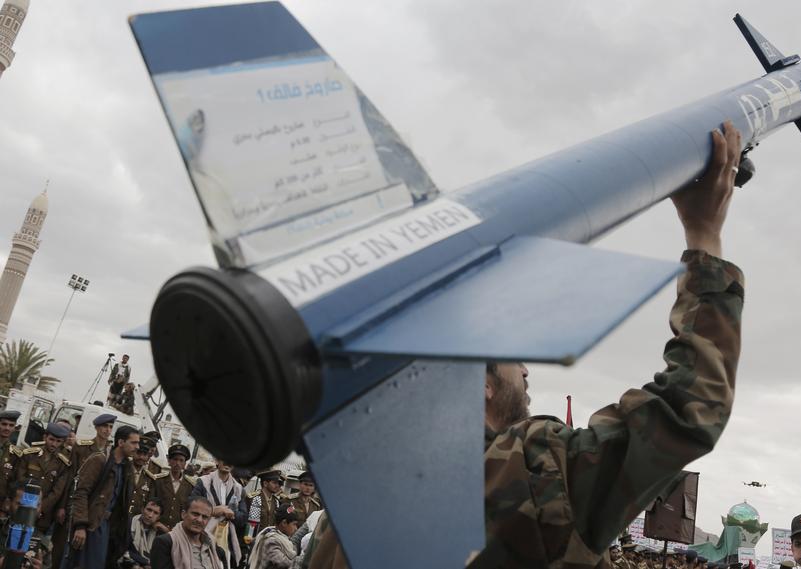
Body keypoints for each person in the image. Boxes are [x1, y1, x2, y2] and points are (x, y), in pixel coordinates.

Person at [304, 122, 746, 568]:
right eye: (514, 357)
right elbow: (689, 407)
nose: (528, 370)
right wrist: (704, 235)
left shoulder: (349, 512)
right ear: (480, 382)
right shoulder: (530, 467)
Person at [65, 425, 140, 569]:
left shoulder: (127, 468)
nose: (137, 447)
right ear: (121, 442)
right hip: (91, 524)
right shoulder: (100, 460)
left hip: (109, 527)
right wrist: (80, 526)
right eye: (133, 442)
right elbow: (80, 493)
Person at [14, 422, 72, 544]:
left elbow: (57, 492)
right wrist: (28, 503)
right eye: (51, 439)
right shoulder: (30, 454)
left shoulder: (63, 463)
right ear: (45, 437)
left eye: (58, 441)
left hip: (42, 515)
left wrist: (40, 508)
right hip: (21, 507)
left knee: (33, 546)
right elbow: (20, 478)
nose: (54, 444)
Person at [190, 460, 247, 567]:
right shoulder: (203, 482)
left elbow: (243, 518)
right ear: (217, 460)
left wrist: (230, 512)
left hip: (227, 541)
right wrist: (212, 511)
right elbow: (192, 507)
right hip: (201, 536)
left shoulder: (238, 488)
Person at [149, 496, 225, 569]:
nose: (199, 520)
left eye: (204, 517)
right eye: (195, 514)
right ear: (183, 514)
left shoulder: (212, 544)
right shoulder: (165, 543)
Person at [154, 444, 195, 533]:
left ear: (185, 464)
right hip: (156, 529)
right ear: (169, 461)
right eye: (175, 459)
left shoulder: (190, 486)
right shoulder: (158, 481)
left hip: (177, 533)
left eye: (181, 460)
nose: (177, 463)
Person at [247, 503, 301, 569]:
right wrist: (305, 559)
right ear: (284, 523)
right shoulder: (271, 541)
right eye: (294, 524)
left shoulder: (281, 537)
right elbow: (284, 563)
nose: (296, 528)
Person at [128, 435, 163, 518]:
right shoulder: (124, 470)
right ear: (133, 452)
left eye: (145, 454)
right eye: (139, 453)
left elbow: (150, 502)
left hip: (136, 519)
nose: (141, 457)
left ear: (148, 457)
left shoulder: (150, 478)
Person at [122, 498, 163, 569]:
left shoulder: (159, 533)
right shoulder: (130, 524)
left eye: (155, 513)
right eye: (149, 510)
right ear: (142, 509)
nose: (150, 515)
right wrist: (145, 562)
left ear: (159, 517)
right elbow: (123, 551)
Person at [246, 470, 283, 539]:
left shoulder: (276, 501)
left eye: (278, 483)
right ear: (265, 483)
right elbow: (249, 523)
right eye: (274, 483)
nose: (277, 486)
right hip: (252, 538)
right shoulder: (254, 498)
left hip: (268, 540)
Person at [0, 410, 23, 515]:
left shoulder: (15, 454)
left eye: (11, 425)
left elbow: (14, 481)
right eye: (4, 424)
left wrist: (7, 503)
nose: (7, 428)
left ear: (14, 428)